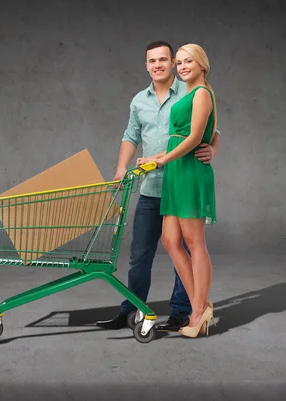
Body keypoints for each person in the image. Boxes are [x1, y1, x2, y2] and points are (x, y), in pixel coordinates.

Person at [96, 41, 221, 332]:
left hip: (181, 181)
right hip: (152, 185)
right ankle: (133, 309)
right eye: (153, 61)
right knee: (143, 252)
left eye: (165, 59)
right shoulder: (139, 100)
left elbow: (210, 130)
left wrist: (212, 149)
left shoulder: (189, 90)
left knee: (188, 246)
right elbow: (130, 136)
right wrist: (120, 168)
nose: (159, 65)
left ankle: (184, 311)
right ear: (146, 66)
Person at [144, 43, 218, 338]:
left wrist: (163, 158)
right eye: (180, 63)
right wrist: (156, 157)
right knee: (170, 239)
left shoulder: (201, 94)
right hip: (177, 171)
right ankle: (201, 304)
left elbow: (197, 136)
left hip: (188, 171)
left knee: (193, 241)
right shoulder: (189, 94)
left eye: (189, 62)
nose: (182, 67)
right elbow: (186, 135)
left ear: (202, 65)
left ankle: (197, 312)